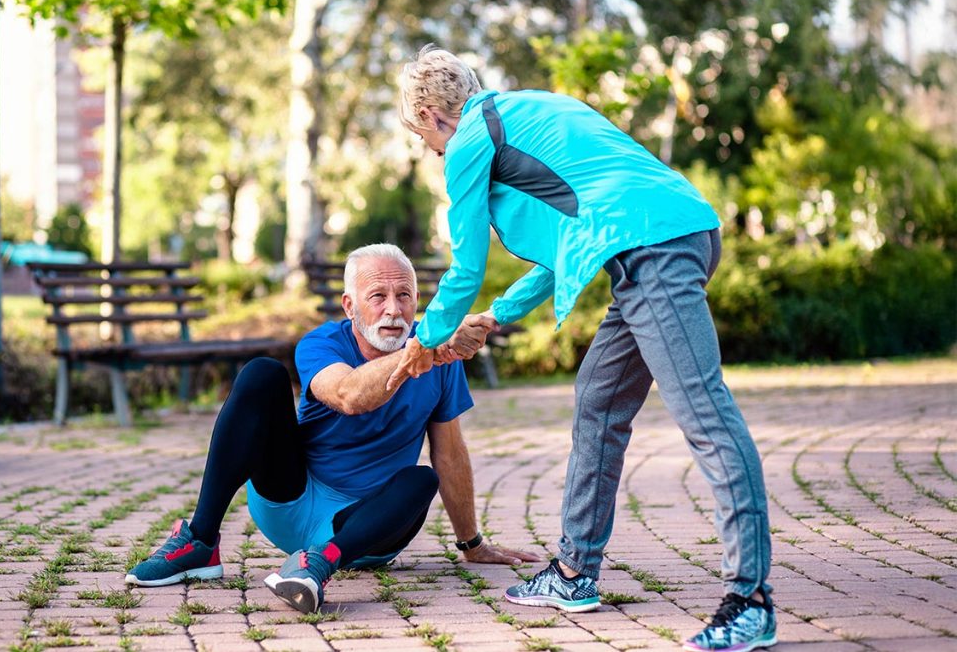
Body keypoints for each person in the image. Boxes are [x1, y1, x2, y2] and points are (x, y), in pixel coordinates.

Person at [390, 45, 776, 652]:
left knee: (706, 416)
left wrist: (423, 344)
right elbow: (562, 249)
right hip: (664, 241)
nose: (429, 151)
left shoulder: (468, 139)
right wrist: (496, 318)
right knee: (598, 397)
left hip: (652, 248)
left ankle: (750, 601)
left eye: (422, 137)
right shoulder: (532, 107)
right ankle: (573, 573)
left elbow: (465, 268)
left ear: (432, 116)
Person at [125, 243, 538, 613]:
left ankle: (318, 565)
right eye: (378, 296)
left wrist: (471, 543)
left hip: (368, 529)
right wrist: (426, 349)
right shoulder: (323, 344)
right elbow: (348, 395)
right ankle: (199, 541)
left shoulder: (440, 361)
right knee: (261, 375)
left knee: (421, 479)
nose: (394, 310)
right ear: (349, 306)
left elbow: (449, 452)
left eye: (404, 296)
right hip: (293, 499)